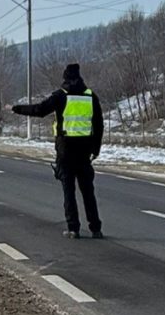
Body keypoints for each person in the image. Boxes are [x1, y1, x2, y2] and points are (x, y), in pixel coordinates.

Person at [12, 63, 104, 239]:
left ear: (65, 78)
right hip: (85, 150)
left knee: (68, 190)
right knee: (88, 191)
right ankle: (95, 228)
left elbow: (39, 110)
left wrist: (17, 109)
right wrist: (96, 148)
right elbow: (99, 125)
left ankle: (73, 228)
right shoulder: (91, 96)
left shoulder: (60, 96)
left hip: (66, 150)